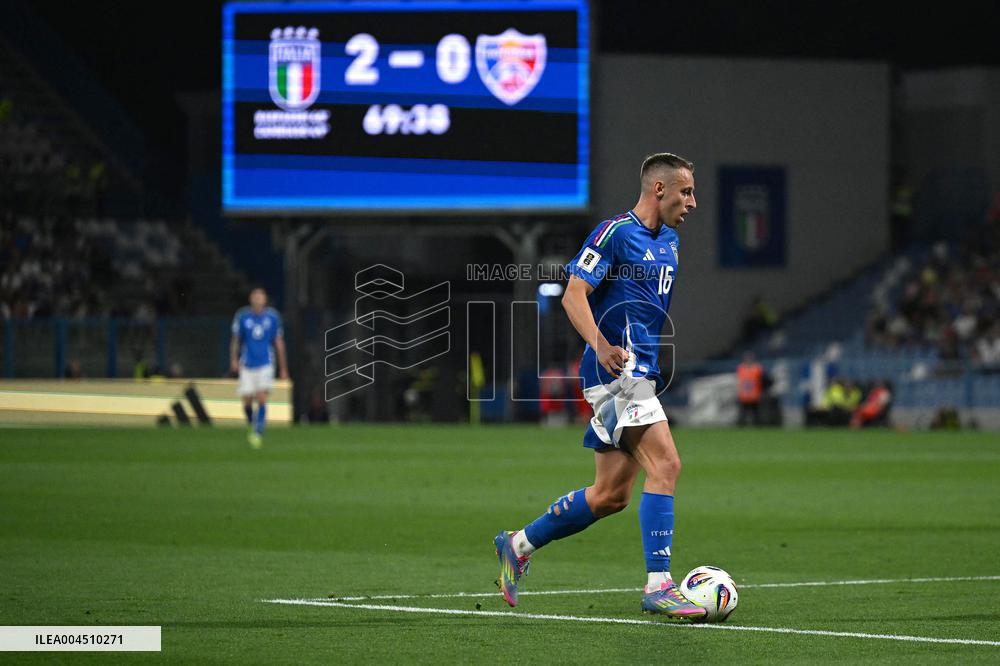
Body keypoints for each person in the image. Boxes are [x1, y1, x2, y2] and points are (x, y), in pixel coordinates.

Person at [494, 153, 705, 620]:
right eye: (686, 191)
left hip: (641, 373)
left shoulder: (671, 241)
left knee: (610, 495)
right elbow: (573, 294)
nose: (693, 202)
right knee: (666, 464)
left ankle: (517, 544)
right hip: (616, 373)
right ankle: (660, 586)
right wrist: (602, 345)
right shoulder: (614, 233)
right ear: (659, 189)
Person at [230, 287, 288, 448]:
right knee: (247, 401)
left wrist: (283, 368)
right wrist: (233, 359)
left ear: (265, 299)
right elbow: (236, 339)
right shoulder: (242, 316)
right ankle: (253, 422)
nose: (257, 299)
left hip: (266, 363)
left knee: (262, 396)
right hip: (247, 363)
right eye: (255, 296)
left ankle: (258, 432)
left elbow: (278, 342)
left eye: (260, 296)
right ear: (250, 298)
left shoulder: (273, 317)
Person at [736, 351, 764, 426]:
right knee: (743, 413)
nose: (748, 359)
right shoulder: (741, 368)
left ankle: (757, 426)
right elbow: (739, 381)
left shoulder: (757, 368)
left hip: (754, 395)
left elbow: (762, 380)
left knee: (755, 413)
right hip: (744, 395)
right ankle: (741, 426)